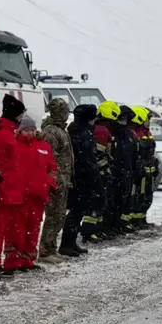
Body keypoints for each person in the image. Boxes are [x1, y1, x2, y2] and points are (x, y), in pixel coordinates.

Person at [11, 116, 57, 271]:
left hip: (38, 196)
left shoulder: (44, 146)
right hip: (20, 196)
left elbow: (52, 168)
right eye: (26, 130)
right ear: (20, 130)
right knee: (17, 230)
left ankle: (28, 260)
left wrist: (49, 184)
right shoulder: (15, 146)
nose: (29, 133)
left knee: (33, 229)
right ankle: (14, 261)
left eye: (31, 129)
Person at [0, 94, 26, 276]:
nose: (21, 119)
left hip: (10, 189)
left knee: (3, 230)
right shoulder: (2, 133)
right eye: (19, 115)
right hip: (4, 189)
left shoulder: (7, 132)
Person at [60, 104, 98, 257]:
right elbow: (87, 158)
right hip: (81, 177)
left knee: (77, 211)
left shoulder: (76, 130)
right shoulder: (83, 133)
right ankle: (67, 244)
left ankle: (70, 242)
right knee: (76, 211)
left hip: (78, 176)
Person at [39, 98, 74, 263]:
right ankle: (45, 250)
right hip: (55, 181)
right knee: (53, 215)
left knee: (59, 215)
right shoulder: (52, 132)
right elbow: (49, 157)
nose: (67, 114)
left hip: (63, 180)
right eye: (65, 111)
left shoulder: (61, 129)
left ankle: (51, 247)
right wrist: (56, 178)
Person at [84, 101, 119, 242]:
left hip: (97, 172)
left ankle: (96, 230)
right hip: (98, 173)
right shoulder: (101, 131)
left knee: (100, 202)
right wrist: (105, 171)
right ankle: (90, 231)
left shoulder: (99, 129)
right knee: (97, 202)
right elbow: (98, 155)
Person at [107, 105, 137, 235]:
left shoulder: (128, 133)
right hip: (115, 171)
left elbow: (133, 153)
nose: (124, 121)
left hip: (127, 170)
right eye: (122, 118)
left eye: (126, 118)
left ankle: (120, 224)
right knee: (113, 200)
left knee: (124, 199)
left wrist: (134, 169)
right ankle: (112, 225)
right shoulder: (112, 132)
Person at [130, 107, 157, 227]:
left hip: (149, 171)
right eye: (147, 119)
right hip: (140, 172)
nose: (149, 121)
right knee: (138, 196)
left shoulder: (147, 133)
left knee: (147, 196)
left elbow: (151, 152)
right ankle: (136, 220)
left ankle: (143, 218)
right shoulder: (136, 133)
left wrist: (154, 165)